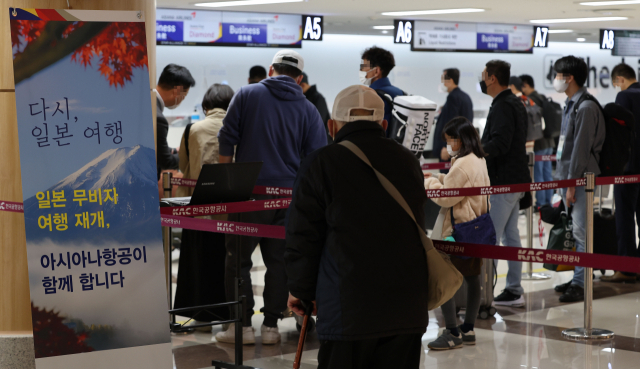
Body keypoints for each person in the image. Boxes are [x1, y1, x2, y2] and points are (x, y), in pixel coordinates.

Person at [285, 85, 428, 369]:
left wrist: (301, 290)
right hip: (407, 306)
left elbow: (303, 235)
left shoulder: (320, 163)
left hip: (347, 308)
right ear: (384, 124)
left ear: (332, 126)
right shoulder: (409, 162)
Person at [216, 50, 326, 345]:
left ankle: (240, 327)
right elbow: (316, 159)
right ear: (299, 79)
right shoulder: (309, 109)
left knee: (237, 260)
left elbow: (226, 137)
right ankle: (271, 326)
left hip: (248, 194)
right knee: (280, 263)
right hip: (289, 199)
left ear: (271, 70)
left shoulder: (246, 94)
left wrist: (226, 185)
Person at [424, 117, 490, 350]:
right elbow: (460, 186)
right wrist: (442, 178)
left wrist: (430, 183)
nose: (447, 145)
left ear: (459, 139)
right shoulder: (478, 159)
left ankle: (451, 330)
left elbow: (447, 197)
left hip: (457, 230)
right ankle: (468, 329)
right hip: (476, 227)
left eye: (449, 140)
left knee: (446, 278)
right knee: (473, 279)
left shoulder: (462, 164)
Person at [173, 84, 235, 329]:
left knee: (197, 263)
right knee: (227, 263)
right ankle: (228, 316)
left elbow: (184, 166)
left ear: (206, 105)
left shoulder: (192, 129)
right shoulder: (236, 129)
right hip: (230, 211)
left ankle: (201, 318)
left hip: (198, 210)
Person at [552, 56, 605, 302]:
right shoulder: (572, 104)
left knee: (582, 232)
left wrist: (572, 183)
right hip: (570, 178)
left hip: (582, 179)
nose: (556, 79)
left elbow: (581, 151)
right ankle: (578, 277)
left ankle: (581, 283)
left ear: (569, 77)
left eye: (558, 75)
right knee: (577, 230)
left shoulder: (585, 107)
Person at [479, 60, 531, 307]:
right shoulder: (514, 102)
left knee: (492, 238)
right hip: (515, 179)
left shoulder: (502, 106)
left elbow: (500, 144)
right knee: (511, 237)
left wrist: (473, 151)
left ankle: (483, 295)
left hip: (503, 182)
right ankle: (514, 288)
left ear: (491, 78)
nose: (482, 79)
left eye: (484, 75)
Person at [601, 63, 640, 283]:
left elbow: (619, 135)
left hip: (629, 168)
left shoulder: (624, 97)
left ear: (620, 79)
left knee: (625, 216)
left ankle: (626, 268)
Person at [520, 74, 556, 208]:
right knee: (547, 174)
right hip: (549, 140)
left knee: (539, 174)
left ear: (526, 85)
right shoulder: (542, 97)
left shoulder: (531, 100)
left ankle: (541, 204)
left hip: (538, 142)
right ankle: (549, 202)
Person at [155, 63, 195, 179]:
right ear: (177, 91)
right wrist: (187, 155)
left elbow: (156, 147)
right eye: (184, 96)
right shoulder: (158, 119)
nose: (182, 100)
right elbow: (165, 161)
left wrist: (173, 150)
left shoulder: (147, 102)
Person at [432, 68, 474, 173]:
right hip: (462, 148)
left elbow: (452, 125)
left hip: (450, 152)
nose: (442, 82)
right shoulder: (465, 97)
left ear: (450, 80)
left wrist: (447, 147)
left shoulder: (453, 98)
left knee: (449, 183)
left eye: (443, 79)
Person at [359, 46, 403, 138]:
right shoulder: (400, 92)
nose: (361, 70)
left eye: (364, 66)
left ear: (376, 71)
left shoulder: (372, 95)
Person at [301, 72, 332, 144]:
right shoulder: (307, 98)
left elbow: (318, 122)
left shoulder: (317, 98)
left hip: (319, 144)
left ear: (302, 85)